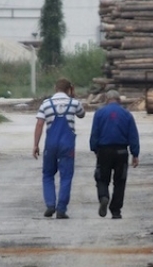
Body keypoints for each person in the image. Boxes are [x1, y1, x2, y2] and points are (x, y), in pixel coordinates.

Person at [33, 78, 86, 219]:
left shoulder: (46, 104)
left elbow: (39, 124)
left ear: (55, 88)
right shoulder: (74, 103)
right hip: (67, 145)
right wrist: (73, 96)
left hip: (51, 144)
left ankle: (50, 205)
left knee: (48, 175)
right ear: (70, 89)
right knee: (66, 176)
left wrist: (36, 144)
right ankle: (61, 209)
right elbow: (82, 114)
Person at [89, 90, 140, 219]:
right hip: (122, 152)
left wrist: (95, 149)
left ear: (106, 99)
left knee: (101, 178)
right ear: (119, 100)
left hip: (104, 151)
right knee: (120, 181)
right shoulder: (127, 114)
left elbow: (95, 133)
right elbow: (133, 135)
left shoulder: (99, 113)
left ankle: (104, 196)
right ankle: (116, 211)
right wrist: (135, 154)